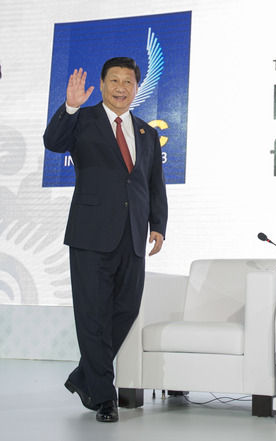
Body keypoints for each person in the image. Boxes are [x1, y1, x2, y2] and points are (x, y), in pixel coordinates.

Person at [43, 57, 168, 423]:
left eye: (128, 82)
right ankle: (103, 396)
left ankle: (85, 377)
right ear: (101, 85)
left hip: (133, 234)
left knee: (126, 309)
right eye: (114, 80)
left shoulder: (146, 133)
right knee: (92, 315)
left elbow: (153, 184)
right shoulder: (82, 120)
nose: (121, 88)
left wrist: (158, 224)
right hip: (90, 233)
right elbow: (53, 142)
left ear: (136, 88)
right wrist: (69, 107)